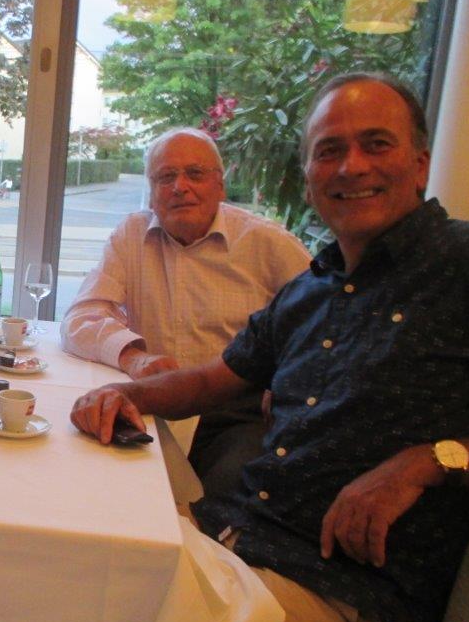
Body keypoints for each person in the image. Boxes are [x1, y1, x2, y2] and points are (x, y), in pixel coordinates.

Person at [71, 73, 469, 622]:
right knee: (71, 553)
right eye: (330, 151)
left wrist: (427, 461)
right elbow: (211, 380)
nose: (352, 166)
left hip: (350, 601)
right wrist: (123, 391)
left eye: (376, 144)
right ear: (310, 177)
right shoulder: (313, 289)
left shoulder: (465, 264)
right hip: (240, 542)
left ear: (420, 164)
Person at [61, 128, 310, 494]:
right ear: (151, 191)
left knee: (226, 493)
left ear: (220, 186)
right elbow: (82, 317)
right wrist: (133, 357)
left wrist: (286, 385)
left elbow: (322, 329)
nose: (180, 187)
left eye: (195, 174)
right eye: (166, 177)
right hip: (153, 402)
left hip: (235, 413)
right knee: (91, 480)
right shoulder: (132, 235)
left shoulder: (269, 245)